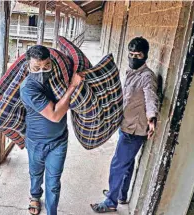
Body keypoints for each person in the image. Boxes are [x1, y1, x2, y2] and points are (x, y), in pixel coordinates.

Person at [90, 37, 159, 213]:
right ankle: (121, 194)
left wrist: (152, 119)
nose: (134, 58)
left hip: (134, 130)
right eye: (131, 54)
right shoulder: (131, 72)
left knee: (118, 165)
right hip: (127, 125)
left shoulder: (147, 77)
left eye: (138, 55)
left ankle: (111, 202)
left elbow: (151, 98)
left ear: (145, 56)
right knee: (127, 164)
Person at [20, 45, 84, 215]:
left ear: (52, 64)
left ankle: (52, 212)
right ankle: (35, 196)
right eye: (36, 68)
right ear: (28, 67)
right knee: (36, 173)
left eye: (46, 66)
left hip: (59, 141)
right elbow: (55, 115)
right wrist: (72, 87)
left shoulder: (57, 78)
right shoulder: (28, 88)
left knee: (54, 182)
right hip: (36, 141)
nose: (42, 71)